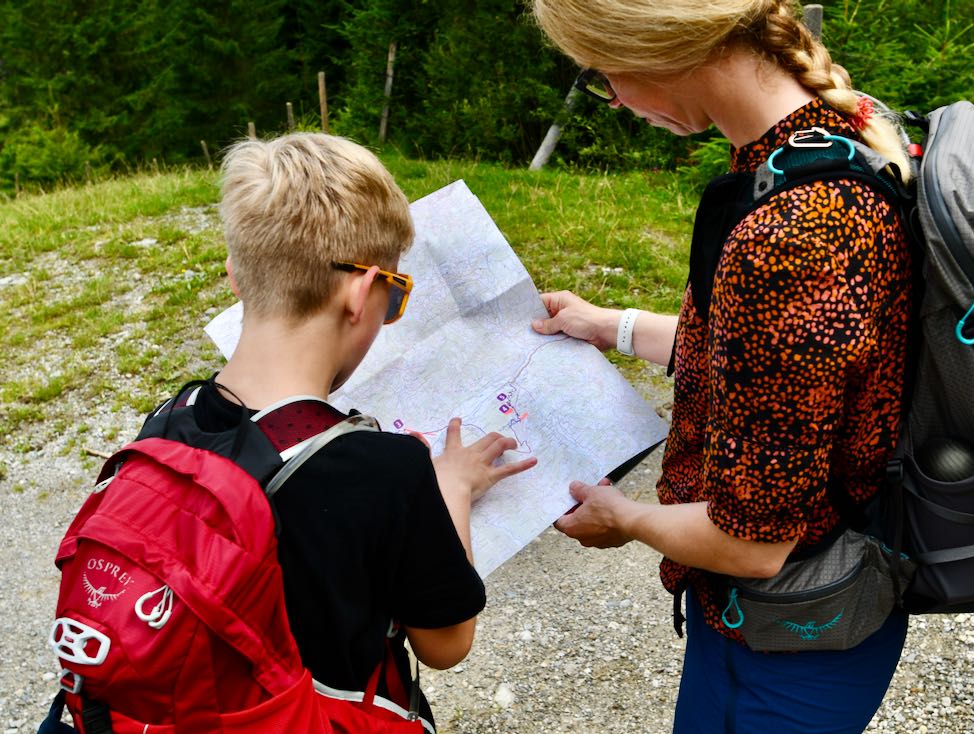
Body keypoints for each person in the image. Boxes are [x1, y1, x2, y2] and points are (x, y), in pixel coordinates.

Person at [48, 133, 536, 733]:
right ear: (361, 294)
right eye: (394, 299)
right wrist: (451, 488)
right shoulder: (385, 469)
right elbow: (446, 644)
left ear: (236, 275)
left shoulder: (170, 422)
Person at [529, 1, 915, 732]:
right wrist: (605, 325)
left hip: (790, 633)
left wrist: (626, 518)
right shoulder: (847, 128)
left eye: (607, 78)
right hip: (830, 603)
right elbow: (780, 366)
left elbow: (753, 544)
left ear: (657, 48)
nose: (616, 101)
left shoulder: (794, 230)